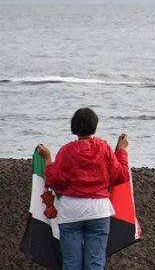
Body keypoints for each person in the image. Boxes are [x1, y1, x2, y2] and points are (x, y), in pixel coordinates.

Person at [37, 107, 130, 270]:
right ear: (95, 126)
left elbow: (54, 181)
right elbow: (120, 176)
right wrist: (121, 151)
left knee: (72, 263)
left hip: (71, 210)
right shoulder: (104, 148)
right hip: (98, 210)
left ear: (73, 127)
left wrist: (48, 160)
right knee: (95, 263)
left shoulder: (66, 151)